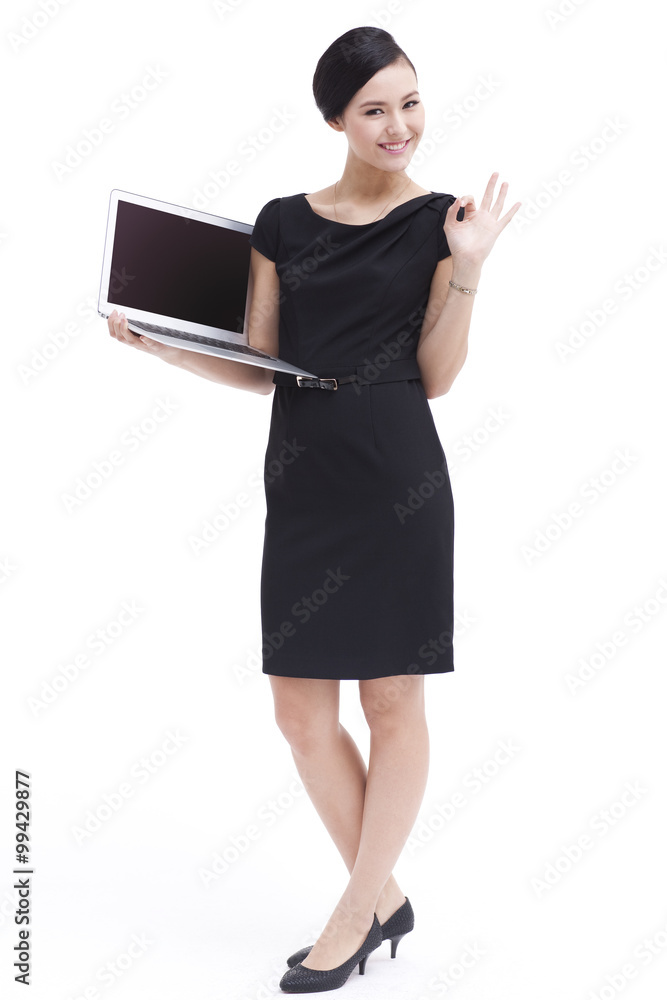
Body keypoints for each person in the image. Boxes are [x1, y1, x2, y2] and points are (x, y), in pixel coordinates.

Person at [107, 24, 520, 995]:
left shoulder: (439, 222)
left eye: (410, 102)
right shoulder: (282, 222)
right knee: (300, 714)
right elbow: (260, 363)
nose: (398, 125)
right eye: (374, 108)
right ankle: (383, 898)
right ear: (334, 116)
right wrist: (164, 346)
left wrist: (469, 263)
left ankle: (359, 907)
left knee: (389, 699)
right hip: (302, 476)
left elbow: (439, 376)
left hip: (396, 471)